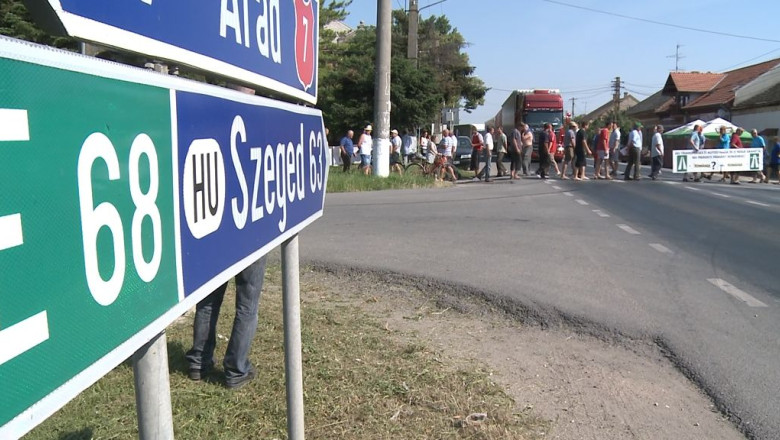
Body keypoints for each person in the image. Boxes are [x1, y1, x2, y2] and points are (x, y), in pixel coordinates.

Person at [186, 256, 268, 389]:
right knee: (247, 308)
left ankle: (198, 362)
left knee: (207, 303)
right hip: (250, 240)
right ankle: (236, 370)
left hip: (216, 241)